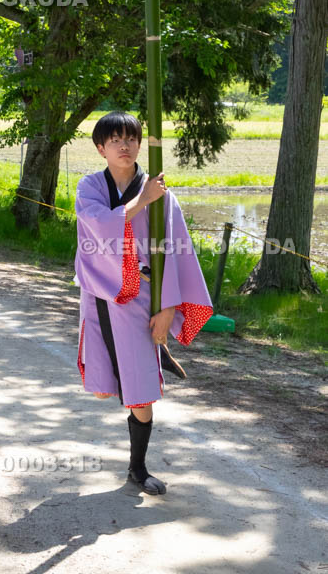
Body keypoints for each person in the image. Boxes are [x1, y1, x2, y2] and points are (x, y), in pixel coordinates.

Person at [75, 111, 213, 496]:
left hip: (143, 297)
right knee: (107, 387)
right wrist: (141, 200)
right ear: (101, 148)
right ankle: (157, 354)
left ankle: (138, 467)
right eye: (115, 140)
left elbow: (174, 249)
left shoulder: (160, 194)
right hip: (102, 295)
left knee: (140, 389)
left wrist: (167, 307)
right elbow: (98, 226)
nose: (125, 146)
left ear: (139, 143)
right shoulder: (90, 187)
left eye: (131, 138)